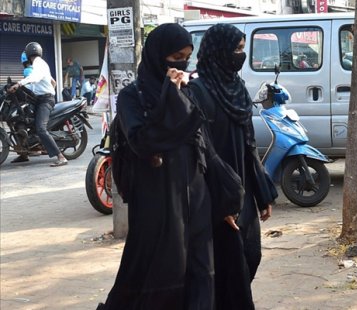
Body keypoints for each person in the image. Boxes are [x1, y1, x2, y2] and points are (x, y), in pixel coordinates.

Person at [97, 23, 243, 310]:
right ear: (158, 55)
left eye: (187, 56)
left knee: (202, 277)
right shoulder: (132, 97)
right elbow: (144, 141)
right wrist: (170, 96)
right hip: (157, 205)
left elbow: (206, 149)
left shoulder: (189, 91)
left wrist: (226, 199)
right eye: (176, 57)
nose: (182, 64)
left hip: (197, 201)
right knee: (156, 280)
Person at [189, 23, 277, 310]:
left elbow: (249, 143)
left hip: (244, 187)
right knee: (228, 268)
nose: (241, 54)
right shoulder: (197, 91)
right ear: (218, 51)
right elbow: (202, 151)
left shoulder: (236, 86)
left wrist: (262, 191)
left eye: (242, 48)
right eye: (237, 49)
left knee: (251, 255)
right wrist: (222, 201)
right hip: (217, 193)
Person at [8, 43, 68, 167]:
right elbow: (53, 82)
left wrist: (19, 84)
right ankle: (24, 154)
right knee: (22, 118)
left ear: (28, 54)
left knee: (41, 128)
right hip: (38, 100)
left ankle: (61, 157)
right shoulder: (39, 64)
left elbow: (35, 78)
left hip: (45, 101)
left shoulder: (39, 64)